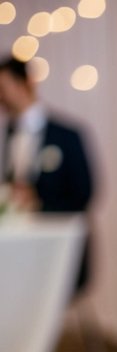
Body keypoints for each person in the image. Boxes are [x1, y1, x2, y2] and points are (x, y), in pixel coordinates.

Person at [0, 54, 95, 285]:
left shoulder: (67, 135)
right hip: (18, 245)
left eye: (3, 87)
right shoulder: (9, 134)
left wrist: (38, 202)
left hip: (58, 246)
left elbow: (85, 193)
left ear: (25, 83)